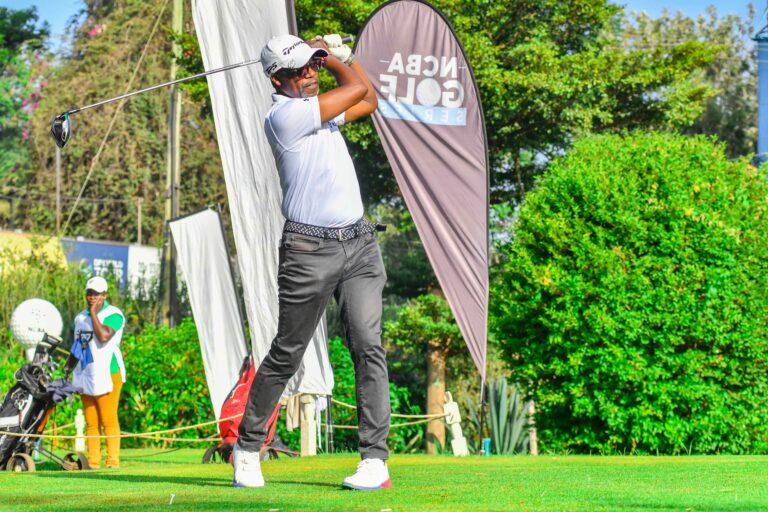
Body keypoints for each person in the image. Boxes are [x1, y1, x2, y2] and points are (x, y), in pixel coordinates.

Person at [233, 34, 391, 490]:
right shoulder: (285, 116)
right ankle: (246, 448)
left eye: (313, 66)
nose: (310, 73)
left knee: (368, 343)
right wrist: (333, 55)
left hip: (359, 243)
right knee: (288, 352)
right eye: (301, 68)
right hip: (309, 251)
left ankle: (374, 460)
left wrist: (340, 56)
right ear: (275, 79)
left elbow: (370, 101)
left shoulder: (317, 106)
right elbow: (358, 90)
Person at [71, 275, 126, 469]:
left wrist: (94, 313)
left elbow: (103, 336)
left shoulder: (114, 314)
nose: (92, 297)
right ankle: (93, 462)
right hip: (86, 372)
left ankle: (113, 461)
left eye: (96, 294)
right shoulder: (80, 317)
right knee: (91, 421)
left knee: (108, 418)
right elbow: (77, 345)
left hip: (109, 372)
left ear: (104, 295)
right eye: (89, 293)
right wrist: (69, 370)